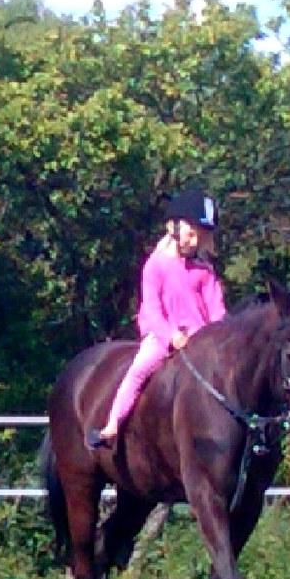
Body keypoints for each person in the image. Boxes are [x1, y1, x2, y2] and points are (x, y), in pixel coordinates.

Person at [87, 189, 226, 449]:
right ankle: (112, 425)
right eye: (192, 234)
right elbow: (152, 309)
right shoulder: (155, 267)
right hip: (164, 338)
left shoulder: (205, 272)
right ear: (173, 228)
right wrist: (172, 337)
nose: (195, 242)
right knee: (138, 371)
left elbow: (217, 311)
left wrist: (212, 336)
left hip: (201, 339)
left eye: (201, 237)